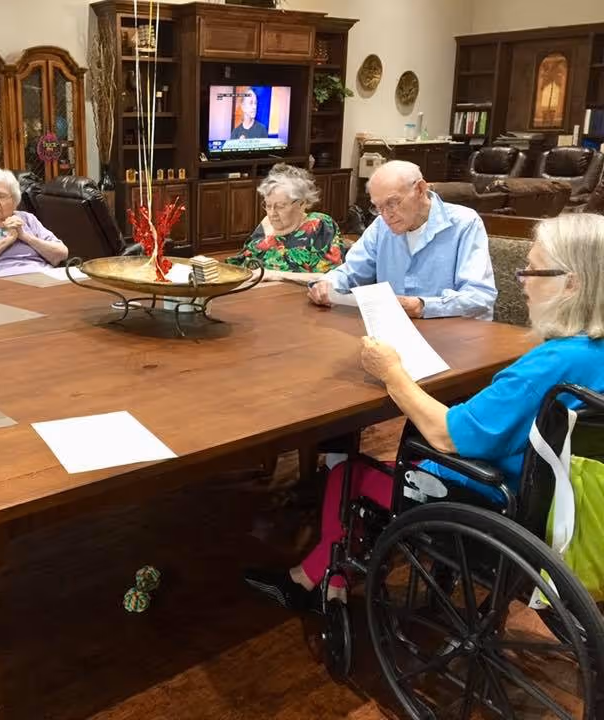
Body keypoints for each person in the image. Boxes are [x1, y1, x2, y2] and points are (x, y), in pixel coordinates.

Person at [246, 213, 604, 609]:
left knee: (348, 472)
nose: (521, 280)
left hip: (500, 500)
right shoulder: (591, 356)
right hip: (566, 497)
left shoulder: (551, 364)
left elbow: (447, 435)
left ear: (572, 283)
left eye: (533, 270)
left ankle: (312, 580)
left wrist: (392, 372)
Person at [308, 160, 497, 320]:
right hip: (398, 331)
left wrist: (423, 306)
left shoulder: (464, 223)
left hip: (456, 336)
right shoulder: (381, 226)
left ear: (420, 189)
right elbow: (351, 272)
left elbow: (480, 296)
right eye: (378, 207)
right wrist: (328, 284)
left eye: (392, 203)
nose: (386, 215)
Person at [227, 164, 343, 281]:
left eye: (280, 206)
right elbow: (242, 262)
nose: (272, 213)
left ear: (302, 203)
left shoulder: (319, 225)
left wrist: (274, 275)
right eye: (268, 205)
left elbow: (331, 277)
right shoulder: (266, 222)